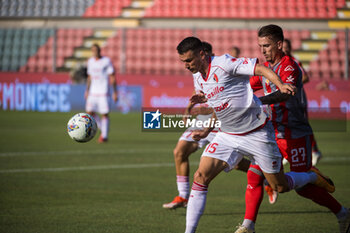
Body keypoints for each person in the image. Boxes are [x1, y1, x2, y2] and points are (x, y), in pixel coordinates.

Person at [176, 36, 334, 233]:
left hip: (257, 133)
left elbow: (259, 68)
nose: (186, 65)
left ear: (201, 54)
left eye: (189, 60)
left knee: (281, 187)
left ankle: (310, 176)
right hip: (228, 134)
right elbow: (220, 102)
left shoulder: (224, 63)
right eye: (183, 61)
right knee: (201, 176)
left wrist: (281, 84)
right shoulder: (198, 76)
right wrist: (208, 128)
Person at [235, 24, 349, 233]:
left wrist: (260, 102)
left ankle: (343, 213)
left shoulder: (290, 66)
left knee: (301, 189)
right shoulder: (264, 68)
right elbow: (246, 85)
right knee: (254, 175)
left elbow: (284, 93)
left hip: (294, 133)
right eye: (260, 46)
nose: (263, 50)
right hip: (270, 134)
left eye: (267, 46)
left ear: (279, 44)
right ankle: (247, 226)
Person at [283, 38, 322, 166]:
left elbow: (305, 77)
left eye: (287, 47)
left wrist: (292, 84)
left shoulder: (294, 61)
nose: (285, 49)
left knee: (303, 124)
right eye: (283, 47)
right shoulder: (280, 62)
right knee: (286, 124)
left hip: (298, 100)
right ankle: (287, 152)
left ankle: (314, 151)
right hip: (287, 100)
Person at [84, 43, 118, 143]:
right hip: (92, 92)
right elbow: (89, 77)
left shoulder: (106, 61)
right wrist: (87, 90)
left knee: (105, 114)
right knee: (90, 112)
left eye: (96, 50)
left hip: (103, 92)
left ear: (99, 51)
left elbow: (112, 76)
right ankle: (103, 128)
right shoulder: (90, 62)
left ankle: (104, 136)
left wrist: (115, 92)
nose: (95, 52)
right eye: (93, 50)